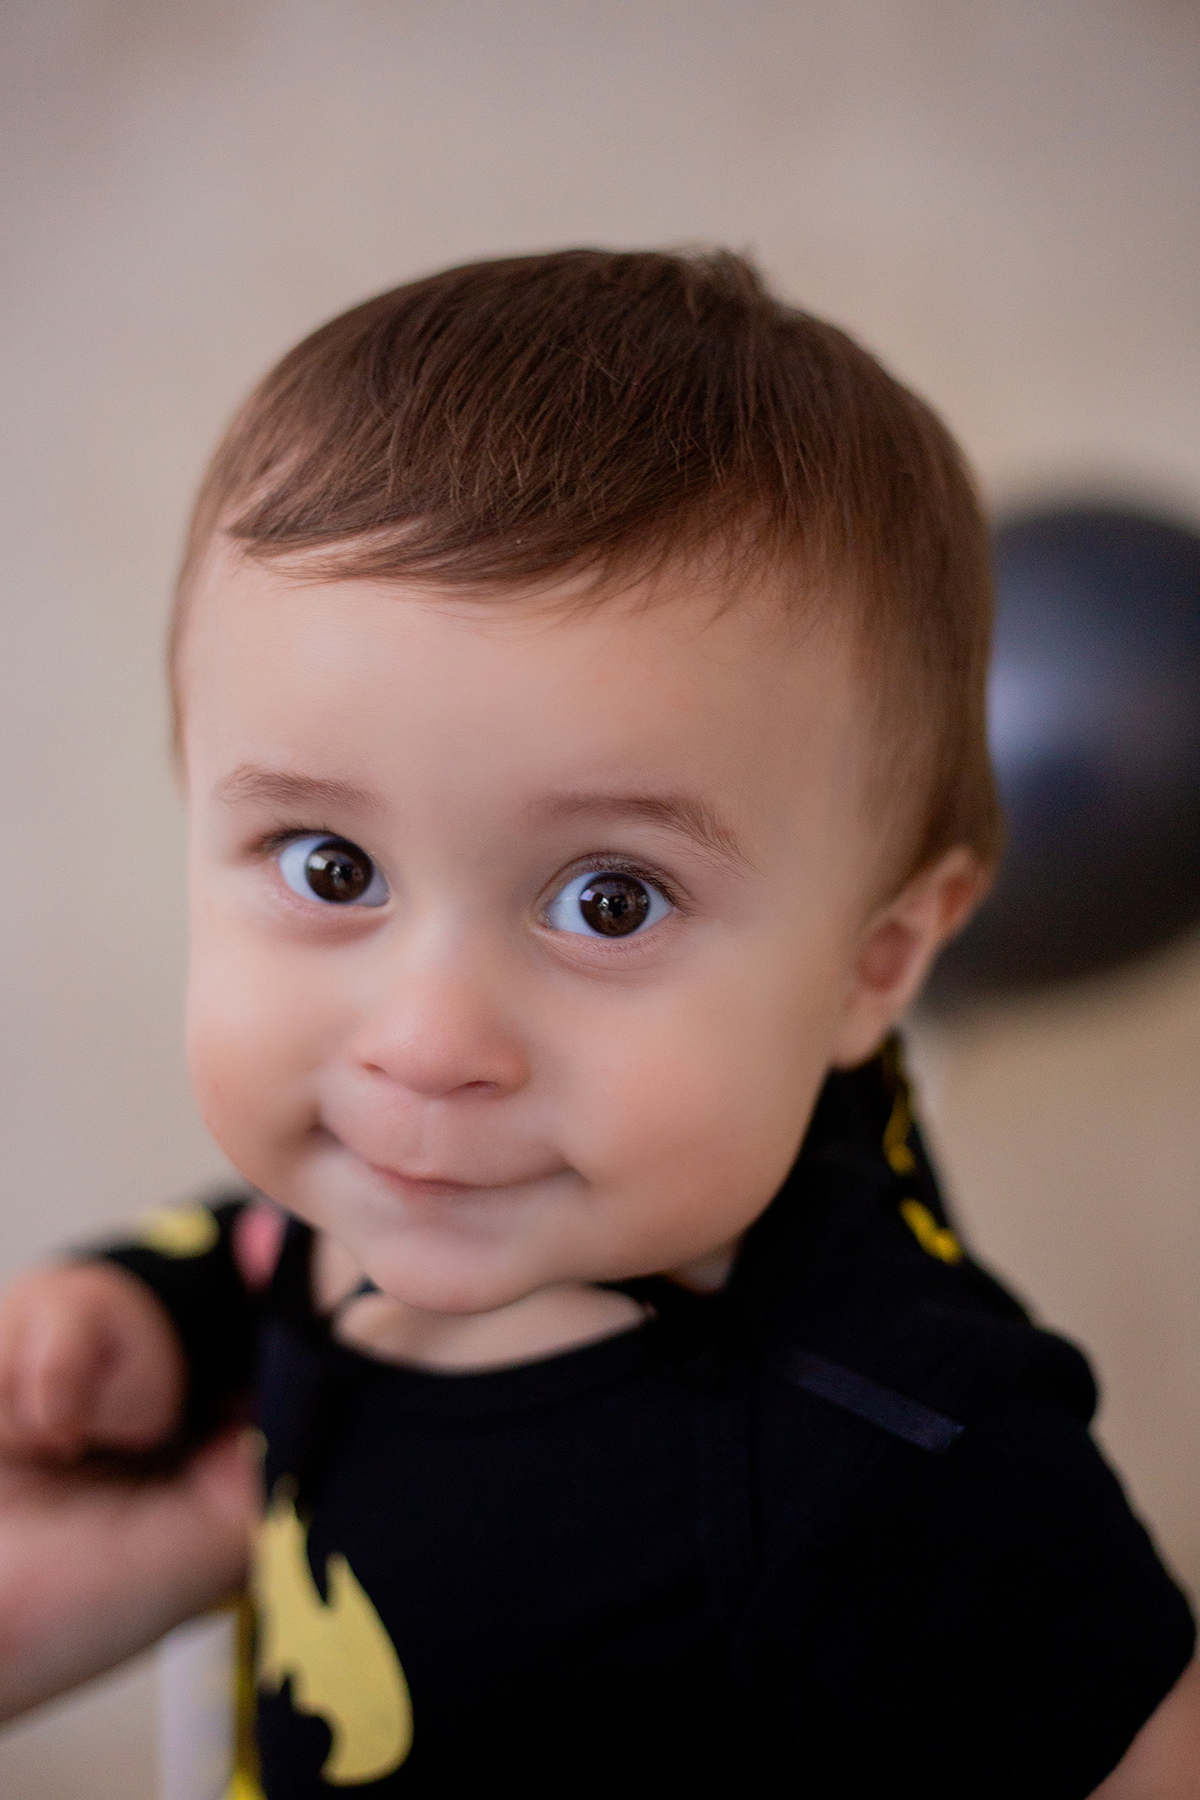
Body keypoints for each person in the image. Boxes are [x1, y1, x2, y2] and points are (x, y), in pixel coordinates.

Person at [0, 250, 1194, 1797]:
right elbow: (240, 1247)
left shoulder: (890, 1458)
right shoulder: (365, 1197)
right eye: (332, 866)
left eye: (611, 901)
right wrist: (139, 1321)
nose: (424, 1043)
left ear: (875, 964)